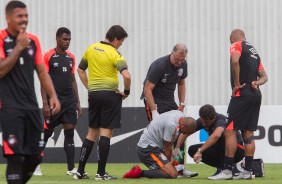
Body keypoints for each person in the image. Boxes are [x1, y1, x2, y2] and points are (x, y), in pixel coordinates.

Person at [0, 1, 60, 184]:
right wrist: (18, 48)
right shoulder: (2, 39)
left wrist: (53, 95)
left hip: (31, 107)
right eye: (20, 16)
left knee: (35, 157)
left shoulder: (33, 40)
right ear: (8, 18)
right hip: (10, 107)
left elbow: (41, 71)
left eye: (26, 16)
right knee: (15, 157)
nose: (24, 19)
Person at [73, 25, 131, 180]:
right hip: (109, 95)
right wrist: (126, 92)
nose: (121, 44)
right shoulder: (114, 53)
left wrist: (90, 87)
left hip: (94, 95)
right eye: (121, 41)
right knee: (106, 132)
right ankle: (101, 173)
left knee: (92, 132)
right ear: (116, 39)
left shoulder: (91, 48)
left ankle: (79, 171)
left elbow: (80, 70)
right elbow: (127, 76)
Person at [213, 29, 268, 180]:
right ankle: (248, 171)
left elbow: (235, 61)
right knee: (248, 133)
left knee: (230, 130)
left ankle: (227, 170)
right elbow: (264, 77)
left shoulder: (236, 44)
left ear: (233, 37)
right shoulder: (254, 51)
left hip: (241, 94)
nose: (230, 43)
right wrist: (257, 82)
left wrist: (236, 84)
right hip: (255, 95)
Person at [140, 43, 197, 177]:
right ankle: (165, 167)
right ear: (172, 53)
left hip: (170, 101)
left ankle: (180, 168)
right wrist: (154, 111)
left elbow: (182, 83)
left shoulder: (183, 64)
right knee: (163, 136)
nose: (179, 62)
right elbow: (147, 89)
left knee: (180, 132)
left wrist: (181, 103)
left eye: (182, 60)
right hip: (155, 101)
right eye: (177, 59)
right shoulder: (159, 65)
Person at [34, 27, 82, 176]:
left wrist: (78, 102)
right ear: (57, 39)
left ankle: (70, 168)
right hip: (53, 103)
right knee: (46, 134)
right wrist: (45, 103)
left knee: (69, 133)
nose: (67, 42)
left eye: (69, 39)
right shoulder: (48, 56)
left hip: (69, 102)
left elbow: (73, 80)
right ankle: (34, 165)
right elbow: (43, 81)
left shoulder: (71, 57)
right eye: (65, 39)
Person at [174, 104, 245, 179]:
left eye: (207, 123)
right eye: (203, 121)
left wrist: (200, 151)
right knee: (192, 150)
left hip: (237, 151)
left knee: (220, 139)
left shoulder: (220, 120)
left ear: (214, 118)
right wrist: (177, 147)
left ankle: (228, 168)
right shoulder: (202, 120)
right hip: (221, 149)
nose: (204, 124)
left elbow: (216, 135)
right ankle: (221, 168)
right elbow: (186, 131)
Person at [123, 110, 196, 179]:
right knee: (172, 174)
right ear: (182, 125)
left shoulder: (180, 115)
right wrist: (170, 163)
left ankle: (174, 169)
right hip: (147, 149)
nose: (183, 134)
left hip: (155, 148)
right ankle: (138, 172)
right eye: (184, 132)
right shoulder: (171, 125)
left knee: (172, 171)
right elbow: (167, 147)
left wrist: (177, 148)